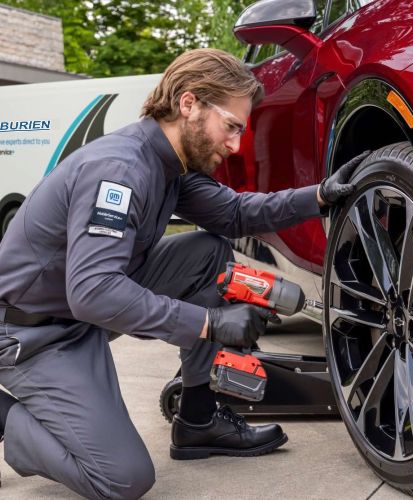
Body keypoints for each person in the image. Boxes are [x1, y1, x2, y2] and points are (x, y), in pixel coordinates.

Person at [0, 48, 369, 499]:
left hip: (79, 311)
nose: (235, 144)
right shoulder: (120, 171)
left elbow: (234, 213)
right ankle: (5, 417)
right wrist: (211, 322)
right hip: (34, 335)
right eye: (231, 127)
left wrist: (319, 196)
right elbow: (93, 292)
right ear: (189, 104)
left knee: (207, 252)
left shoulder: (171, 166)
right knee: (123, 478)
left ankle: (199, 419)